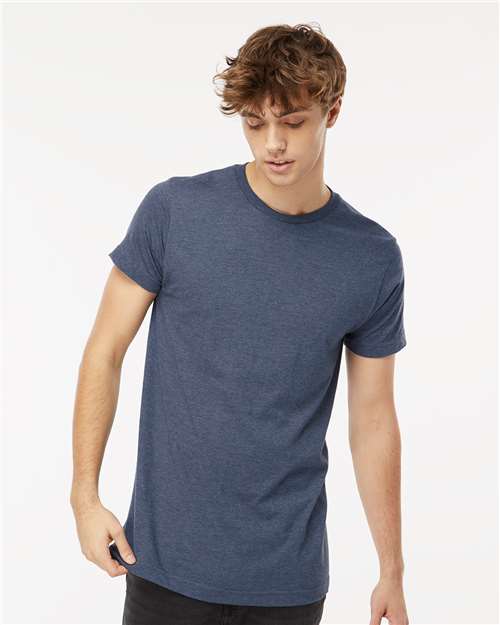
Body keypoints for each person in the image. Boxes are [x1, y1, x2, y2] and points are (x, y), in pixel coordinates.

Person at [70, 22, 409, 625]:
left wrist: (391, 568)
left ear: (332, 112)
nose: (273, 143)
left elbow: (374, 419)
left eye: (293, 122)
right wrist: (85, 497)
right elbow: (105, 350)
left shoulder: (370, 257)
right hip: (164, 565)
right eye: (255, 123)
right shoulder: (175, 212)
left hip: (288, 582)